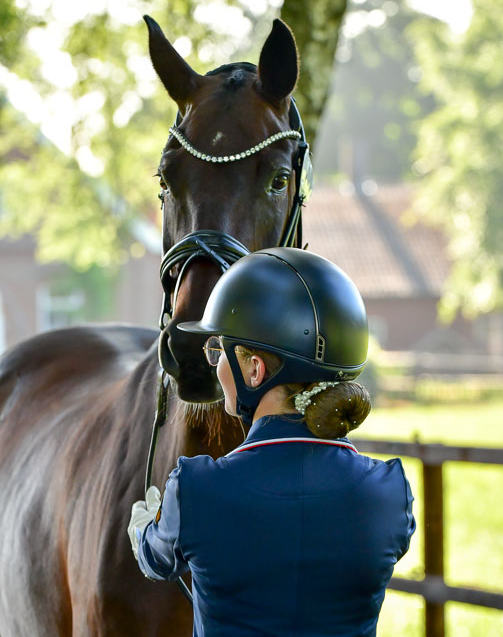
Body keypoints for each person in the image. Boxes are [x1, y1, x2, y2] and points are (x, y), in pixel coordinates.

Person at [128, 248, 415, 637]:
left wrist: (145, 524)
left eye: (219, 350)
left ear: (254, 368)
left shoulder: (196, 489)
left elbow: (156, 559)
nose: (215, 364)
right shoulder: (390, 491)